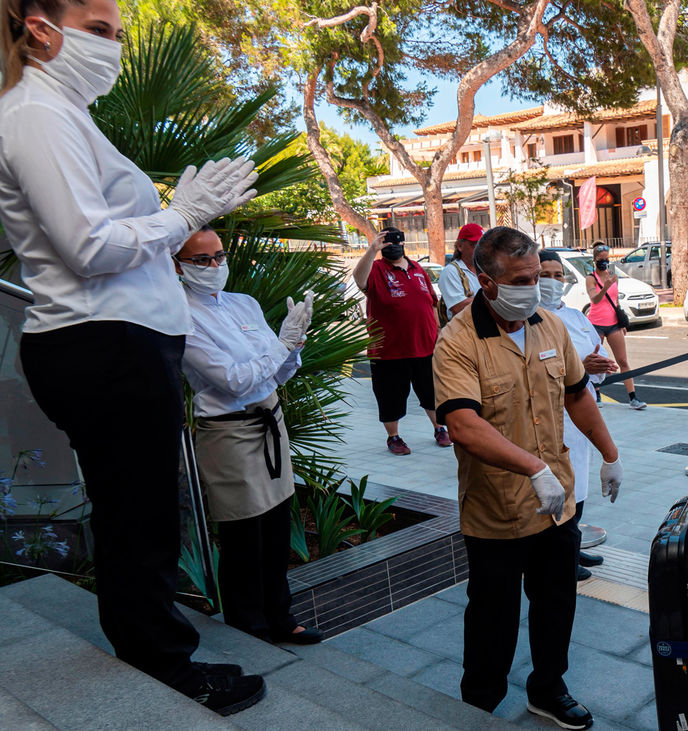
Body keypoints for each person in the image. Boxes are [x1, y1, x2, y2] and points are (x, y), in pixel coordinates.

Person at [0, 0, 265, 715]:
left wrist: (176, 207)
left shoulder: (61, 112)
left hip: (113, 340)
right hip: (102, 340)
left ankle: (150, 649)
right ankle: (164, 663)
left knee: (135, 509)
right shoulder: (36, 115)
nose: (112, 47)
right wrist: (182, 215)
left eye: (117, 33)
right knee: (140, 513)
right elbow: (87, 248)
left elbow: (106, 230)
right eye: (97, 29)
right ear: (38, 25)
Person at [433, 226, 623, 729]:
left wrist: (610, 454)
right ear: (485, 280)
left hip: (557, 502)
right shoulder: (457, 341)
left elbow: (578, 394)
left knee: (556, 604)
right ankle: (479, 704)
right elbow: (463, 424)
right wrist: (532, 467)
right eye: (522, 279)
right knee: (492, 619)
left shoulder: (550, 325)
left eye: (537, 275)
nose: (534, 287)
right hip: (497, 509)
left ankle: (548, 688)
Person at [176, 227, 323, 647]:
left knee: (277, 523)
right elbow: (233, 381)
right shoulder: (181, 316)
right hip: (229, 431)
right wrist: (282, 344)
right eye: (201, 260)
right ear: (177, 265)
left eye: (219, 256)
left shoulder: (245, 303)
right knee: (244, 531)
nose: (214, 266)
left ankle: (281, 615)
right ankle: (248, 626)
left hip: (269, 421)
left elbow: (276, 373)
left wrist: (292, 346)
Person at [538, 249, 620, 581]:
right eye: (546, 274)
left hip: (582, 412)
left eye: (559, 275)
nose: (553, 281)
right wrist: (579, 369)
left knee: (581, 483)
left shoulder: (575, 315)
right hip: (554, 416)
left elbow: (593, 354)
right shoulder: (532, 320)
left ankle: (573, 547)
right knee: (562, 485)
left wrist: (598, 368)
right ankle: (561, 557)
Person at [352, 227, 449, 454]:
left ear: (403, 244)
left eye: (395, 243)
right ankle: (393, 437)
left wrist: (438, 331)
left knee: (432, 392)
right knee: (390, 396)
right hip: (388, 351)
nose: (391, 248)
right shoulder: (376, 269)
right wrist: (372, 249)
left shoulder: (417, 269)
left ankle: (439, 428)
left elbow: (431, 303)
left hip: (425, 347)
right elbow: (359, 280)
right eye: (386, 244)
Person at [586, 242, 645, 410]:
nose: (604, 262)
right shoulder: (591, 278)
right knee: (596, 361)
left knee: (623, 360)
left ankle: (633, 397)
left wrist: (621, 323)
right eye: (601, 259)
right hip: (596, 324)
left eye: (606, 259)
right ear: (595, 260)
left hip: (613, 324)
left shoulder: (613, 277)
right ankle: (596, 395)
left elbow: (616, 301)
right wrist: (605, 287)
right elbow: (595, 300)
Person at [439, 222, 484, 319]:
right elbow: (458, 307)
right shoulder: (450, 272)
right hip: (465, 332)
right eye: (474, 245)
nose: (480, 249)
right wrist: (493, 297)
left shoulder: (485, 269)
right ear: (460, 246)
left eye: (482, 244)